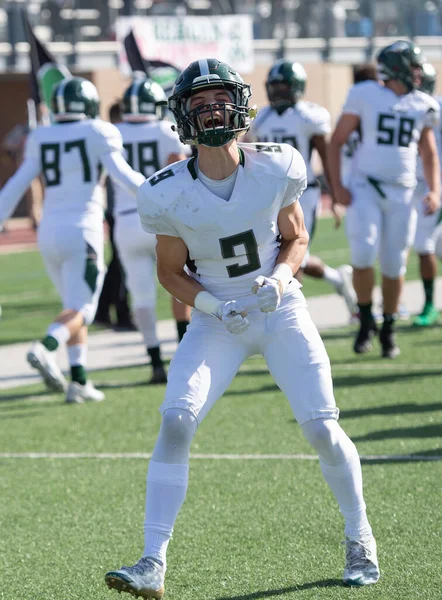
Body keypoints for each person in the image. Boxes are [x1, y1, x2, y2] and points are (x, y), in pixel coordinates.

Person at [104, 58, 380, 598]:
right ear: (182, 116)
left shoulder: (277, 166)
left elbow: (296, 237)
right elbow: (169, 272)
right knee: (177, 419)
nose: (211, 111)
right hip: (216, 319)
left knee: (321, 427)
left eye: (219, 100)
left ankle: (360, 537)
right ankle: (152, 561)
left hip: (279, 307)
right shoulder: (164, 191)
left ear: (241, 105)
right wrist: (209, 304)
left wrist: (279, 278)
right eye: (199, 103)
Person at [0, 77, 145, 403]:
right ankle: (45, 347)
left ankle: (78, 381)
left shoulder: (42, 135)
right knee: (83, 309)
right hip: (83, 231)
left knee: (73, 308)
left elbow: (16, 185)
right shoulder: (98, 130)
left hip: (49, 233)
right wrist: (159, 195)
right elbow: (123, 178)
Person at [328, 41, 440, 358]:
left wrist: (434, 190)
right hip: (365, 185)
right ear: (397, 67)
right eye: (413, 67)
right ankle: (366, 320)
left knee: (394, 264)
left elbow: (429, 153)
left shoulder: (422, 103)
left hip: (404, 190)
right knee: (363, 253)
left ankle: (388, 327)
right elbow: (337, 141)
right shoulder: (365, 93)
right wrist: (337, 187)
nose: (418, 74)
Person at [246, 59, 357, 319]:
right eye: (273, 86)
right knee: (284, 254)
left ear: (296, 87)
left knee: (291, 254)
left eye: (283, 86)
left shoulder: (309, 115)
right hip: (270, 194)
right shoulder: (261, 117)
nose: (277, 91)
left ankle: (292, 317)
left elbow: (325, 154)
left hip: (302, 194)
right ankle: (337, 279)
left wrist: (334, 193)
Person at [113, 77, 190, 383]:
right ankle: (184, 350)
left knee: (141, 295)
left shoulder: (113, 132)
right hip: (161, 218)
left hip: (125, 219)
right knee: (180, 282)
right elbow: (178, 176)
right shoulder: (165, 130)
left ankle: (155, 360)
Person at [94, 101, 136, 331]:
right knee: (121, 263)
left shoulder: (112, 138)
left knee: (118, 262)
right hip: (119, 209)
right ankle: (119, 311)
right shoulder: (112, 139)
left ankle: (104, 309)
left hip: (114, 209)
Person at [411, 62, 441, 327]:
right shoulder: (406, 105)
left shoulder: (434, 108)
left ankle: (430, 304)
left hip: (432, 186)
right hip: (410, 185)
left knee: (423, 245)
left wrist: (436, 189)